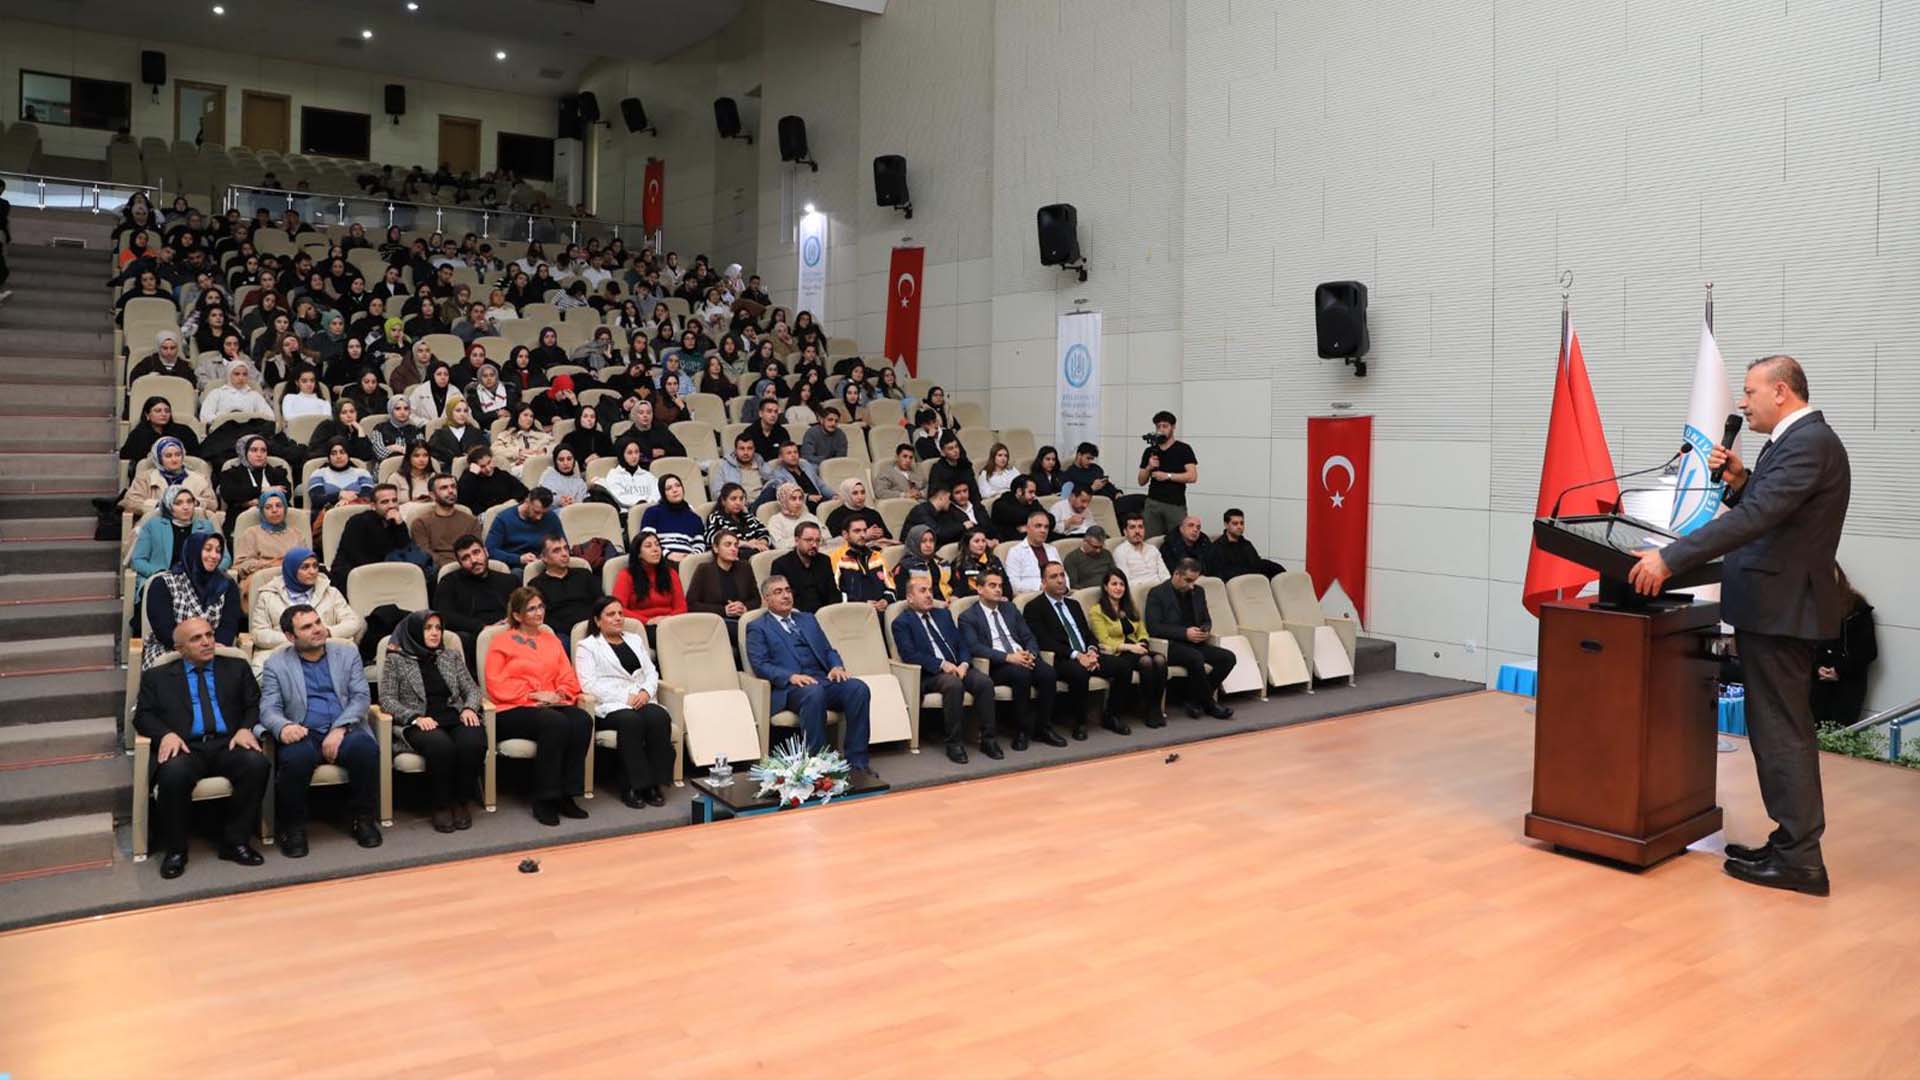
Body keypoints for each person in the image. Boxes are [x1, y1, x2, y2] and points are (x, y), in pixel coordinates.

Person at [1627, 355, 1850, 897]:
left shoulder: (1810, 444)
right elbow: (1771, 509)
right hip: (1773, 608)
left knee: (1781, 732)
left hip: (1782, 611)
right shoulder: (1794, 443)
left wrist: (1670, 558)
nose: (1742, 403)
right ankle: (1790, 840)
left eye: (1749, 393)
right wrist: (1740, 479)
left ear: (1781, 391)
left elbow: (1757, 520)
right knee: (1774, 729)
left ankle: (1800, 858)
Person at [132, 617, 269, 879]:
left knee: (256, 764)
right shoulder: (157, 677)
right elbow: (143, 716)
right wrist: (166, 734)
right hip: (187, 746)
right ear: (180, 648)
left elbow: (254, 704)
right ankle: (176, 850)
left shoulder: (236, 667)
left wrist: (245, 728)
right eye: (196, 638)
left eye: (209, 634)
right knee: (173, 774)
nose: (206, 642)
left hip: (227, 742)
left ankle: (235, 842)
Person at [259, 604, 382, 855]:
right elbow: (269, 708)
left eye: (318, 622)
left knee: (365, 749)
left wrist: (340, 728)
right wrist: (283, 727)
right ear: (290, 637)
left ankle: (364, 820)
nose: (317, 629)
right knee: (295, 758)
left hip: (344, 725)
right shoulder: (276, 663)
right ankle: (293, 828)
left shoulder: (347, 653)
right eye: (307, 627)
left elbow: (360, 697)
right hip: (304, 729)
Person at [744, 576, 877, 781]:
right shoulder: (757, 627)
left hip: (822, 679)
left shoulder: (807, 619)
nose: (786, 595)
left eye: (788, 590)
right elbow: (761, 665)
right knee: (813, 693)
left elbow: (827, 649)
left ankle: (858, 763)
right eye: (778, 592)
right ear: (766, 599)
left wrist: (836, 666)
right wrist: (791, 676)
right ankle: (819, 766)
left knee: (858, 688)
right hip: (791, 688)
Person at [486, 588, 594, 825]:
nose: (538, 613)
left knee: (581, 719)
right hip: (512, 708)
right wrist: (534, 695)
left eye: (540, 607)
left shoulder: (551, 639)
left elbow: (567, 676)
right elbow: (496, 684)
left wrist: (559, 694)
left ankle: (567, 794)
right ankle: (545, 798)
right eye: (531, 609)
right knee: (554, 722)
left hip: (550, 704)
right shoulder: (500, 641)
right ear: (517, 615)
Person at [378, 610, 486, 832]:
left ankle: (461, 800)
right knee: (441, 747)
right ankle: (441, 804)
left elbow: (472, 689)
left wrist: (469, 708)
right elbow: (386, 699)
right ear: (415, 632)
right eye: (428, 628)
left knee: (473, 741)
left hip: (453, 715)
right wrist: (414, 717)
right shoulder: (396, 660)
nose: (435, 633)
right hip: (419, 720)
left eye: (438, 628)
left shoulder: (451, 656)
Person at [574, 597, 677, 808]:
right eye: (611, 614)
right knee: (631, 722)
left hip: (641, 698)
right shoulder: (587, 646)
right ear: (597, 619)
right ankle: (632, 785)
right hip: (610, 705)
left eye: (620, 613)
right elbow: (588, 684)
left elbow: (651, 671)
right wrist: (624, 698)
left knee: (659, 717)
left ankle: (654, 784)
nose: (618, 618)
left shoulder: (635, 639)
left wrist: (646, 692)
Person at [894, 574, 997, 763]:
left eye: (930, 590)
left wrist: (964, 664)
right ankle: (954, 743)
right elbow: (910, 655)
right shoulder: (902, 622)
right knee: (953, 684)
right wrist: (942, 665)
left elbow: (961, 643)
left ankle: (988, 739)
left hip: (958, 667)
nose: (929, 595)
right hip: (930, 674)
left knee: (984, 682)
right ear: (909, 597)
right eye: (922, 591)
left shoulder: (943, 614)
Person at [959, 567, 1065, 750]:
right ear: (979, 589)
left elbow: (1028, 636)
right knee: (1021, 675)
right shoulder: (968, 616)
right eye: (992, 586)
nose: (998, 590)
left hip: (1022, 656)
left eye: (1000, 586)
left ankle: (1043, 728)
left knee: (1048, 673)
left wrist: (1030, 653)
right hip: (997, 664)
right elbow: (974, 647)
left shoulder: (1010, 608)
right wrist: (1008, 657)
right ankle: (1022, 731)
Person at [1145, 559, 1237, 720]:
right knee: (1196, 657)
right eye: (1188, 580)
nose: (1191, 585)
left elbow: (1206, 620)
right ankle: (1209, 704)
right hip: (1170, 645)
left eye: (1194, 581)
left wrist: (1205, 630)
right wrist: (1184, 633)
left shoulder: (1198, 591)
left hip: (1195, 642)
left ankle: (1195, 699)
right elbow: (1154, 628)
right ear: (1176, 574)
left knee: (1228, 658)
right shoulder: (1157, 593)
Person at [1020, 562, 1102, 741]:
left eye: (1062, 575)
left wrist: (1092, 650)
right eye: (1053, 577)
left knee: (1122, 666)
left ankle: (1112, 716)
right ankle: (1080, 723)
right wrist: (1077, 655)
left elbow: (1087, 634)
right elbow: (1044, 641)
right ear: (1043, 582)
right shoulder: (1034, 607)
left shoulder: (1073, 604)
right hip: (1060, 658)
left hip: (1086, 654)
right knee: (1080, 673)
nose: (1060, 580)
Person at [249, 547, 363, 666]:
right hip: (284, 653)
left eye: (315, 566)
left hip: (326, 650)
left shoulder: (330, 592)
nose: (313, 571)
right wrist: (298, 640)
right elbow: (258, 633)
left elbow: (352, 622)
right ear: (291, 570)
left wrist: (327, 632)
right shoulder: (268, 595)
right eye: (305, 567)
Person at [142, 532, 239, 669]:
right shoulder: (163, 583)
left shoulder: (227, 585)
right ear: (194, 550)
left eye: (218, 551)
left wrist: (210, 648)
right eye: (208, 549)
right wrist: (192, 649)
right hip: (172, 650)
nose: (214, 556)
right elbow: (164, 629)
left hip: (214, 650)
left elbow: (228, 626)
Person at [1087, 569, 1169, 728]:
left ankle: (1154, 707)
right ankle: (1147, 708)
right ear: (1105, 587)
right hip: (1118, 652)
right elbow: (1103, 640)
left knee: (1160, 659)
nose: (1118, 588)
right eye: (1114, 584)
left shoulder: (1130, 606)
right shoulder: (1097, 610)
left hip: (1136, 647)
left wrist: (1143, 643)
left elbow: (1142, 631)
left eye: (1122, 584)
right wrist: (1131, 647)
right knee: (1146, 661)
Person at [1810, 568, 1876, 729]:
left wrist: (1839, 670)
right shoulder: (1809, 606)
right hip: (1816, 684)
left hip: (1847, 685)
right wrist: (1817, 667)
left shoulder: (1857, 608)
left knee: (1840, 733)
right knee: (1813, 731)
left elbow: (1868, 651)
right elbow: (1803, 647)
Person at [438, 535, 515, 663]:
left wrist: (509, 623)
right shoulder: (449, 582)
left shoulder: (509, 580)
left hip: (508, 631)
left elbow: (522, 607)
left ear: (486, 552)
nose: (473, 560)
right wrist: (482, 628)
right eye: (465, 558)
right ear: (460, 563)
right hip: (473, 635)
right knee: (463, 639)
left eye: (476, 552)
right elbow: (444, 615)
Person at [332, 484, 429, 583]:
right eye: (385, 502)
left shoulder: (396, 521)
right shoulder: (358, 521)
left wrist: (400, 525)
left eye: (394, 501)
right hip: (354, 574)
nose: (391, 505)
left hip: (386, 572)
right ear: (373, 506)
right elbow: (357, 556)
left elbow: (406, 550)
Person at [232, 489, 302, 602]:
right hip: (263, 581)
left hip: (293, 579)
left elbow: (306, 560)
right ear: (262, 511)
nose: (274, 510)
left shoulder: (296, 534)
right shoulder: (252, 533)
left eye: (279, 506)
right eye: (268, 507)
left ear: (285, 508)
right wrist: (270, 565)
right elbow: (241, 565)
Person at [685, 529, 760, 632]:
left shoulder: (745, 567)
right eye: (728, 545)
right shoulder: (704, 570)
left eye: (736, 545)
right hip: (717, 623)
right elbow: (692, 604)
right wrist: (724, 610)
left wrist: (744, 607)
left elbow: (756, 599)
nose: (733, 549)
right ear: (716, 548)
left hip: (743, 620)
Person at [1138, 411, 1198, 537]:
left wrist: (1168, 476)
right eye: (1158, 426)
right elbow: (1141, 481)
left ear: (1173, 427)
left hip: (1175, 504)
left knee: (1178, 540)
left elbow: (1192, 476)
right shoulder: (1150, 450)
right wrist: (1149, 467)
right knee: (1150, 540)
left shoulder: (1183, 449)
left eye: (1165, 426)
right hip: (1153, 503)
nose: (1161, 429)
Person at [123, 435, 215, 517]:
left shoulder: (199, 478)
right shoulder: (145, 478)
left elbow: (212, 504)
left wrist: (192, 503)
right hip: (157, 522)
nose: (174, 460)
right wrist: (161, 506)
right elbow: (131, 502)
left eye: (178, 455)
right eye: (168, 456)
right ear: (159, 458)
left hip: (192, 523)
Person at [614, 529, 688, 626]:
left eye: (657, 545)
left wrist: (668, 619)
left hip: (670, 624)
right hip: (641, 626)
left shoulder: (671, 573)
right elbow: (617, 608)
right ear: (638, 553)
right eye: (648, 546)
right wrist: (648, 621)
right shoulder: (626, 575)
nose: (655, 549)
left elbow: (681, 607)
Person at [410, 474, 482, 570]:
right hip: (437, 571)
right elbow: (425, 555)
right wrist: (451, 567)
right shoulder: (420, 523)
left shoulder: (471, 521)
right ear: (432, 495)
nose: (451, 491)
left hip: (469, 568)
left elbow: (477, 550)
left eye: (453, 486)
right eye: (444, 488)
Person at [531, 533, 598, 635]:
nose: (564, 554)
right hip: (560, 634)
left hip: (591, 628)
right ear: (544, 557)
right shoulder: (536, 585)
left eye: (566, 548)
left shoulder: (584, 574)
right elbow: (540, 617)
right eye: (556, 551)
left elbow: (600, 603)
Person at [486, 486, 566, 567]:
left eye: (544, 513)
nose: (539, 517)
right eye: (536, 512)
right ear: (527, 501)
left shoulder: (551, 517)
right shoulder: (504, 519)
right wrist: (519, 559)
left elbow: (563, 543)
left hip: (545, 563)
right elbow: (490, 550)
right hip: (516, 564)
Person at [770, 521, 837, 613]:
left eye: (817, 540)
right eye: (809, 540)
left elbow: (833, 593)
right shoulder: (781, 564)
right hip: (796, 615)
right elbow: (780, 599)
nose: (814, 545)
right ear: (797, 540)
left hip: (825, 614)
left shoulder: (824, 560)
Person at [640, 474, 705, 565]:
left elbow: (699, 544)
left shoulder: (694, 518)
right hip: (661, 561)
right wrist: (668, 554)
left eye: (678, 486)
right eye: (669, 488)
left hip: (688, 562)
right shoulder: (652, 512)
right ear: (663, 493)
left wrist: (691, 557)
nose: (675, 490)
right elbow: (647, 542)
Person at [1205, 508, 1286, 580]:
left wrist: (1281, 572)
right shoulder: (1217, 547)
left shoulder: (1246, 544)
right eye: (1235, 523)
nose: (1239, 526)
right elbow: (1220, 573)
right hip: (1233, 588)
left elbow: (1257, 564)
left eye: (1242, 523)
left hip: (1251, 584)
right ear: (1226, 525)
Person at [833, 517, 894, 609]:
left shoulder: (877, 556)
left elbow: (891, 586)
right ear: (845, 534)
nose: (862, 535)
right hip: (853, 613)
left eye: (864, 530)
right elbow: (834, 594)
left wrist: (886, 600)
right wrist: (861, 604)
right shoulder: (836, 558)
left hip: (881, 611)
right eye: (857, 531)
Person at [892, 524, 954, 604]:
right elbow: (903, 597)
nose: (928, 545)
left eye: (931, 541)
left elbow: (955, 585)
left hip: (948, 605)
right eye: (923, 541)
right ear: (914, 543)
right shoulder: (905, 567)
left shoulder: (942, 563)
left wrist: (955, 596)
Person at [1004, 509, 1062, 595]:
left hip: (1057, 595)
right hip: (1032, 598)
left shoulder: (1052, 549)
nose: (1043, 530)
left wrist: (1064, 588)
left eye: (1046, 527)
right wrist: (1042, 585)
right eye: (1038, 526)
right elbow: (1013, 585)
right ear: (1027, 528)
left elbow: (1064, 576)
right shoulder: (1015, 552)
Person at [307, 438, 374, 512]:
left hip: (358, 514)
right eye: (334, 453)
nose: (338, 456)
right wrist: (339, 495)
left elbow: (368, 497)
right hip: (326, 517)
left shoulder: (362, 473)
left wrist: (346, 503)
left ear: (348, 455)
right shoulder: (318, 474)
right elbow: (316, 500)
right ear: (329, 457)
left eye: (342, 452)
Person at [758, 441, 826, 512]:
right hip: (802, 504)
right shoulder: (778, 474)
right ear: (781, 458)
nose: (793, 455)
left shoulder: (806, 465)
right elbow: (787, 494)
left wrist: (833, 495)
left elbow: (821, 485)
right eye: (789, 453)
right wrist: (808, 497)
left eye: (795, 452)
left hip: (820, 500)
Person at [704, 482, 772, 553]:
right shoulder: (715, 518)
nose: (738, 502)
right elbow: (712, 539)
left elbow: (764, 532)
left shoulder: (749, 517)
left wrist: (762, 543)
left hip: (758, 551)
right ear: (723, 501)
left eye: (741, 499)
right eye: (733, 499)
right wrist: (747, 544)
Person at [456, 447, 528, 512]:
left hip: (507, 512)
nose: (488, 468)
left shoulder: (502, 475)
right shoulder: (468, 480)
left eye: (489, 462)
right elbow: (463, 503)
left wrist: (512, 501)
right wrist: (471, 475)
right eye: (482, 466)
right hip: (485, 516)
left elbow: (524, 492)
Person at [1112, 512, 1171, 587]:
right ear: (1125, 532)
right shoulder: (1120, 552)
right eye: (1132, 527)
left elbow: (1165, 575)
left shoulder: (1153, 549)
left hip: (1160, 590)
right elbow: (1125, 582)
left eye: (1140, 527)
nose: (1137, 531)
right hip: (1138, 592)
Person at [949, 526, 1006, 599]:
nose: (981, 545)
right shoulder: (959, 563)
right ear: (967, 544)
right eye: (976, 541)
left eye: (983, 541)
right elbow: (961, 590)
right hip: (973, 601)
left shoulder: (994, 560)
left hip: (998, 599)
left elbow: (1006, 585)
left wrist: (1006, 596)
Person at [766, 482, 821, 549]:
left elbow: (827, 535)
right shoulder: (775, 521)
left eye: (800, 498)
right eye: (793, 498)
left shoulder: (808, 516)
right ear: (784, 501)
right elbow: (779, 545)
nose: (798, 502)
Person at [989, 475, 1044, 541]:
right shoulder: (1001, 504)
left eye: (1034, 492)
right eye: (1030, 492)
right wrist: (1038, 521)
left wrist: (1031, 527)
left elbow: (1050, 519)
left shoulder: (1033, 502)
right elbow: (1019, 515)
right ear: (1019, 491)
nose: (1034, 495)